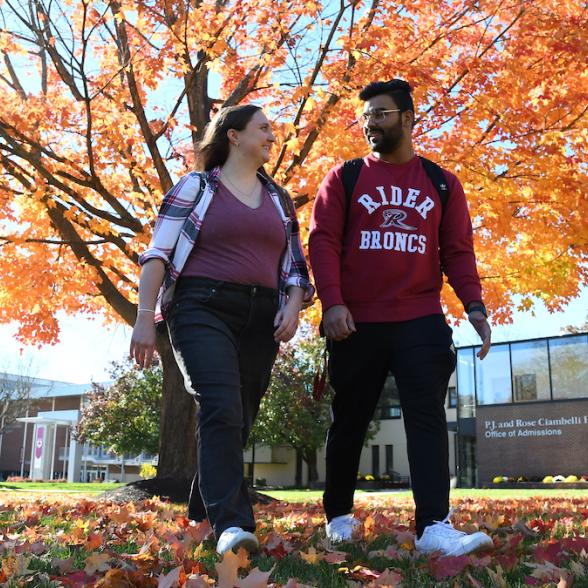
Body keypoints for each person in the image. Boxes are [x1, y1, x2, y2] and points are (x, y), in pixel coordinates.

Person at [309, 79, 493, 556]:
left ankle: (434, 525)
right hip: (356, 321)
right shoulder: (345, 176)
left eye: (381, 114)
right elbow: (323, 242)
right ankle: (339, 516)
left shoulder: (440, 183)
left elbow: (457, 250)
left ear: (408, 118)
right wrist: (332, 303)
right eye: (366, 115)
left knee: (428, 419)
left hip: (419, 317)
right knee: (349, 420)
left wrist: (474, 305)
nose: (371, 123)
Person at [130, 104, 313, 555]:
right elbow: (159, 253)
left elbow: (295, 268)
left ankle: (200, 511)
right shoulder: (197, 187)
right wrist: (143, 318)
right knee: (221, 404)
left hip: (260, 317)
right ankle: (231, 525)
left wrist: (292, 306)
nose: (273, 135)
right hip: (200, 306)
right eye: (264, 128)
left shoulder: (278, 198)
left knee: (238, 417)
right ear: (233, 135)